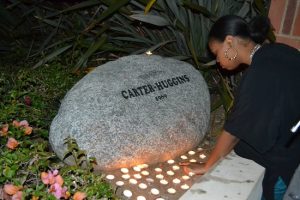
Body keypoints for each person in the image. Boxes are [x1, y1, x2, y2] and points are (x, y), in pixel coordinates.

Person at [181, 15, 300, 200]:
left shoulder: (258, 73)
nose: (218, 60)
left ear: (229, 42)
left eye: (217, 52)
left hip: (290, 160)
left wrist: (207, 166)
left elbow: (234, 129)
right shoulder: (277, 52)